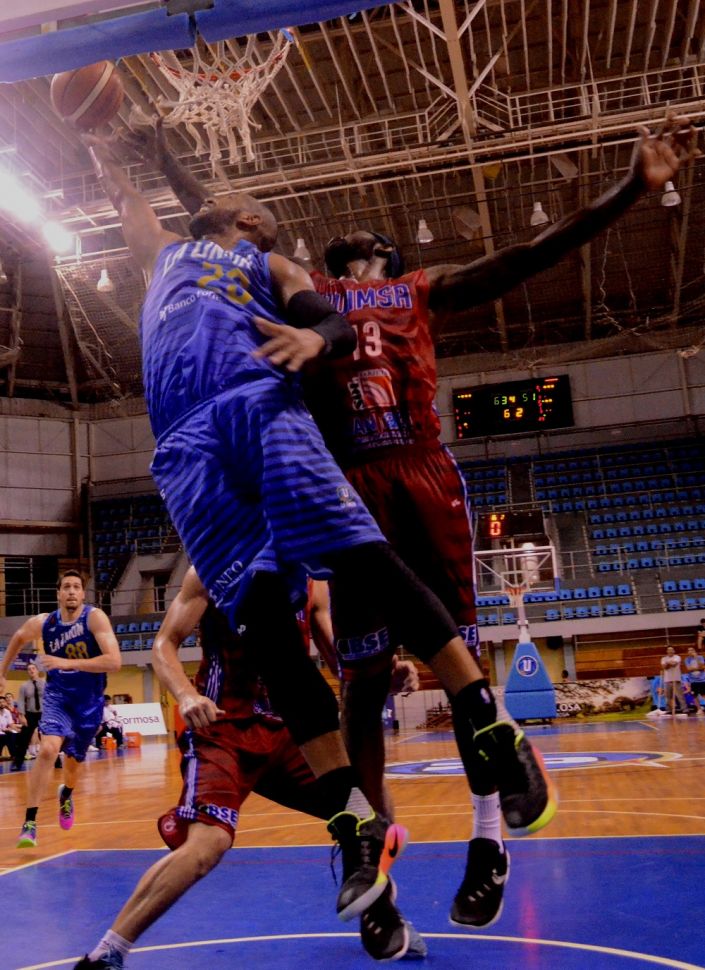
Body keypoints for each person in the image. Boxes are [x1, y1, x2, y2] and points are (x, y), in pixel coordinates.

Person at [144, 114, 695, 929]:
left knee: (455, 659)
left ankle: (488, 840)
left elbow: (527, 256)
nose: (358, 238)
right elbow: (221, 227)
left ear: (391, 256)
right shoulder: (303, 287)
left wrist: (629, 189)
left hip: (418, 473)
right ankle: (368, 850)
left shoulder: (420, 290)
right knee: (361, 684)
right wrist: (166, 160)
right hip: (343, 480)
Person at [83, 133, 555, 930]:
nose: (230, 198)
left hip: (258, 403)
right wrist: (106, 148)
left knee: (362, 560)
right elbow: (131, 201)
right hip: (185, 448)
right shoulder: (162, 253)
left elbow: (324, 320)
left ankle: (486, 720)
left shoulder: (269, 266)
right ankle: (352, 821)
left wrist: (313, 340)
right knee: (263, 626)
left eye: (240, 201)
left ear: (250, 222)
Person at [74, 567, 425, 969]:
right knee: (208, 845)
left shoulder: (312, 578)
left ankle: (375, 907)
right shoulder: (211, 567)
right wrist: (186, 695)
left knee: (374, 804)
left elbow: (340, 662)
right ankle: (107, 952)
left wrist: (383, 676)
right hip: (223, 728)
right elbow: (163, 644)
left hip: (288, 730)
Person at [0, 570, 121, 847]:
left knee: (72, 765)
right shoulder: (45, 623)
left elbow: (114, 661)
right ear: (58, 593)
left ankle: (66, 794)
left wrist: (69, 663)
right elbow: (18, 637)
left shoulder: (94, 618)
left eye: (76, 587)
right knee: (47, 749)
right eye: (66, 586)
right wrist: (2, 672)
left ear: (83, 594)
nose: (71, 591)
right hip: (58, 696)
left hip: (89, 703)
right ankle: (30, 822)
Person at [10, 660, 45, 770]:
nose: (31, 671)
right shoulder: (24, 686)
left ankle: (56, 761)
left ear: (37, 670)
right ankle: (17, 763)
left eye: (33, 668)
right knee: (23, 739)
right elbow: (20, 701)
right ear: (28, 672)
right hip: (30, 714)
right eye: (29, 669)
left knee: (48, 738)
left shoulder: (45, 684)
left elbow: (50, 698)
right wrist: (22, 715)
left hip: (44, 713)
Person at [660, 646, 688, 718]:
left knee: (680, 696)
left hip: (676, 679)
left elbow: (674, 664)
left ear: (674, 651)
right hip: (667, 680)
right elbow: (664, 667)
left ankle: (684, 709)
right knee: (668, 696)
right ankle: (668, 710)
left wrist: (668, 663)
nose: (670, 651)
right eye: (669, 650)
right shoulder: (663, 658)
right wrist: (669, 663)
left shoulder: (677, 657)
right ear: (667, 651)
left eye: (672, 650)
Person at [684, 646, 705, 714]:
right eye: (689, 650)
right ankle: (699, 709)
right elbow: (689, 669)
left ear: (695, 651)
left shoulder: (700, 657)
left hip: (702, 679)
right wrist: (699, 668)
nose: (690, 651)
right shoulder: (687, 659)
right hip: (693, 680)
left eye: (692, 650)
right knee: (694, 695)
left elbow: (702, 667)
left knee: (703, 694)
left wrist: (696, 658)